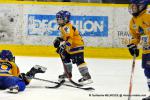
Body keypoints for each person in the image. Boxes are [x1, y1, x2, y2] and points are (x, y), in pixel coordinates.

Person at [53, 10, 93, 85]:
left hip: (76, 45)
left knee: (79, 60)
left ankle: (87, 76)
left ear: (66, 19)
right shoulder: (63, 27)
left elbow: (70, 38)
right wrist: (59, 39)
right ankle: (68, 74)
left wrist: (64, 46)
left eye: (60, 19)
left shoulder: (67, 27)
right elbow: (66, 37)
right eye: (57, 19)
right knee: (65, 55)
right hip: (71, 45)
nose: (58, 20)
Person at [127, 0, 150, 99]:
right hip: (146, 50)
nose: (132, 8)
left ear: (141, 6)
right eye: (131, 6)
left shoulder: (148, 15)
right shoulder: (133, 21)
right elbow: (136, 37)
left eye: (134, 6)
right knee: (147, 72)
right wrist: (132, 45)